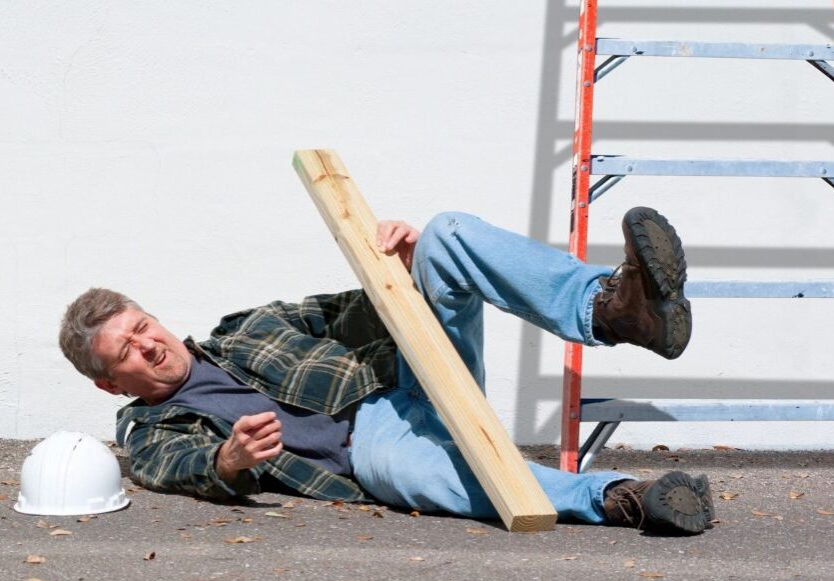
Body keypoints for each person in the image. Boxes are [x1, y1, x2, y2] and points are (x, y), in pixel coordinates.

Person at [60, 208, 715, 534]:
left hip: (410, 377)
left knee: (445, 235)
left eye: (142, 326)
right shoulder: (149, 425)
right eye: (125, 353)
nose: (147, 346)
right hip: (370, 444)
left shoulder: (246, 328)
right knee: (399, 470)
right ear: (109, 382)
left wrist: (401, 271)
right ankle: (620, 498)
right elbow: (169, 466)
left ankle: (615, 310)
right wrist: (227, 463)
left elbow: (356, 307)